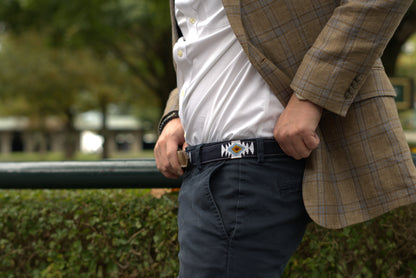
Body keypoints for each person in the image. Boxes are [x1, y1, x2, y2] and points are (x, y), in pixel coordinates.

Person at [155, 0, 416, 277]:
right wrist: (176, 114)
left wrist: (311, 96)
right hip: (207, 167)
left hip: (250, 163)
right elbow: (206, 41)